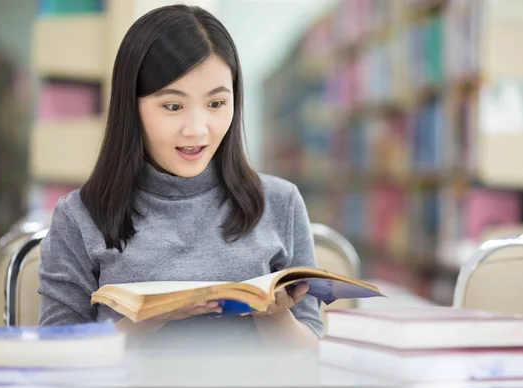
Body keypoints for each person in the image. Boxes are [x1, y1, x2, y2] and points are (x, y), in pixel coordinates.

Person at [37, 4, 322, 349]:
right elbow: (57, 355)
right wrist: (147, 318)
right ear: (132, 106)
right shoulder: (79, 215)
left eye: (216, 104)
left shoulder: (281, 202)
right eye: (173, 106)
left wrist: (274, 315)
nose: (197, 130)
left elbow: (308, 352)